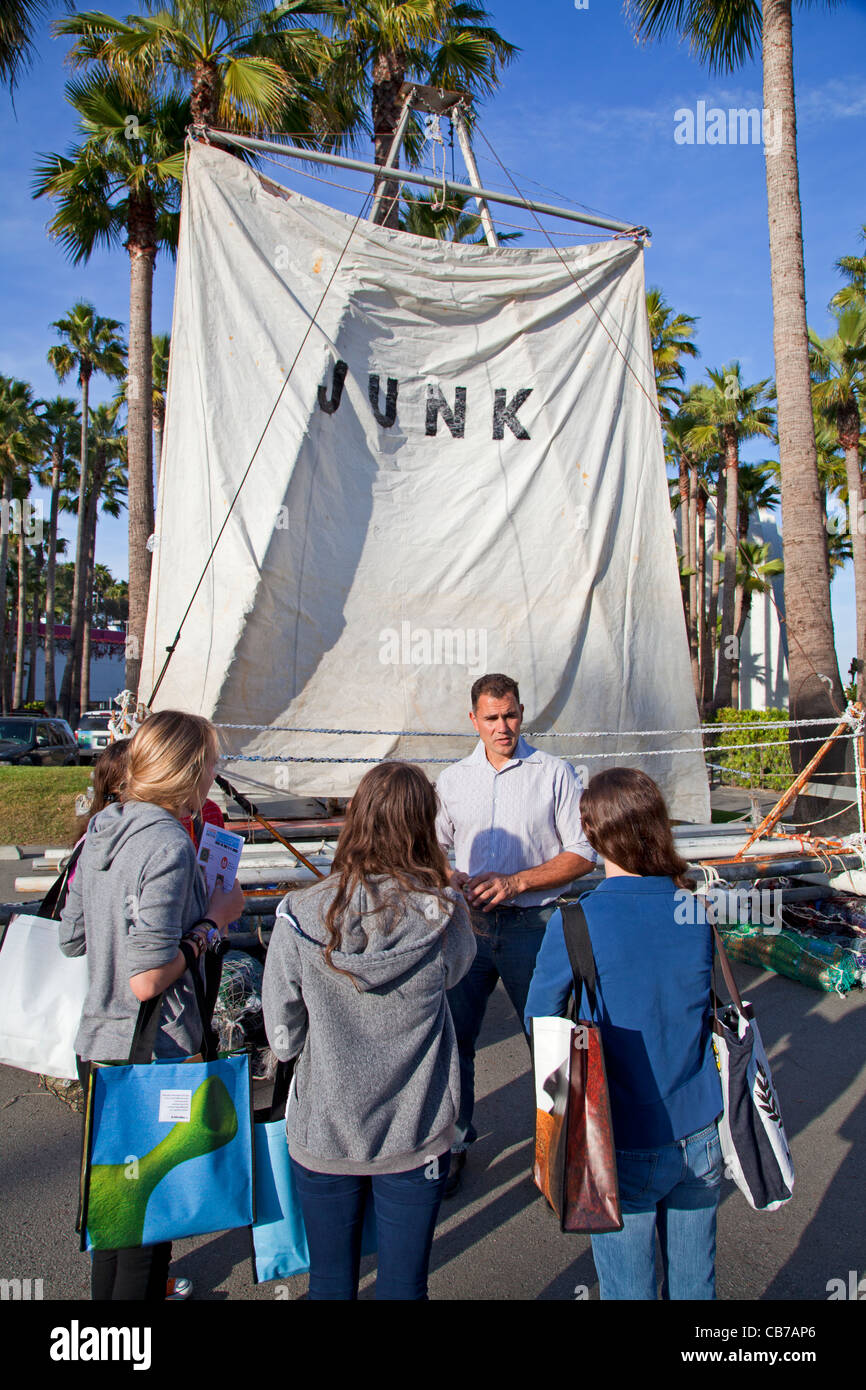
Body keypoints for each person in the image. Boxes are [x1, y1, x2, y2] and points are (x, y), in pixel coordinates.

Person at [262, 761, 476, 1301]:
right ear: (424, 826)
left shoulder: (298, 914)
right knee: (404, 1287)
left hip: (325, 1127)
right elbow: (456, 972)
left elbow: (283, 1037)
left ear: (355, 817)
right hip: (416, 1129)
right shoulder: (445, 913)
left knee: (330, 1283)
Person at [59, 709, 245, 1302]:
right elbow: (147, 979)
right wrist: (213, 922)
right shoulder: (166, 842)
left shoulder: (104, 827)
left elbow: (72, 936)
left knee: (116, 1219)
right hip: (150, 1053)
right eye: (211, 764)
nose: (214, 776)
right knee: (149, 1228)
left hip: (99, 1045)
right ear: (189, 770)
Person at [524, 767, 724, 1300]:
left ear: (592, 834)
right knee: (694, 1285)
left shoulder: (575, 922)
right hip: (701, 1124)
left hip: (617, 1136)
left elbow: (541, 1027)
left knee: (627, 1289)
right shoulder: (697, 910)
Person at [435, 673, 595, 1195]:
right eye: (491, 718)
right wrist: (452, 878)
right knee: (454, 1039)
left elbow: (582, 853)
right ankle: (455, 1143)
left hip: (536, 925)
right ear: (473, 720)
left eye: (511, 716)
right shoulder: (453, 781)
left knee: (549, 1042)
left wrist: (518, 881)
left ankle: (562, 1155)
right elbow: (434, 853)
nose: (503, 727)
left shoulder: (555, 774)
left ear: (522, 712)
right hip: (469, 927)